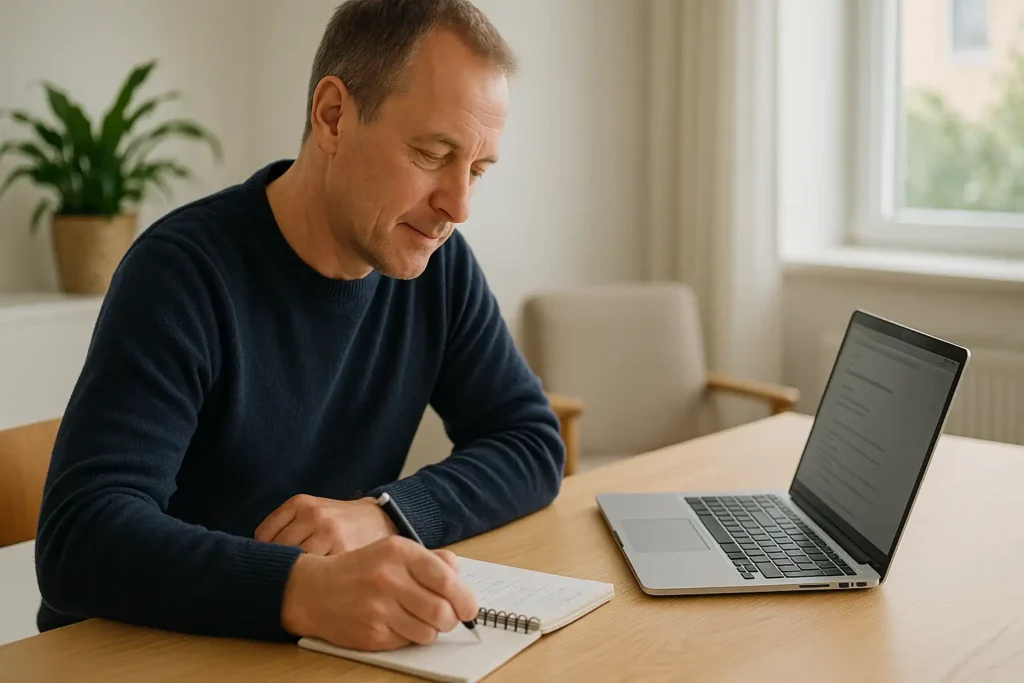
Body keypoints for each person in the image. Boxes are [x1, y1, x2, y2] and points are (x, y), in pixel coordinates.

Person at [34, 0, 565, 653]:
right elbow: (81, 536)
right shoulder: (182, 273)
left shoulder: (437, 264)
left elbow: (531, 441)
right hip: (139, 654)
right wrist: (307, 589)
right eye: (433, 153)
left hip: (300, 653)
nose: (458, 205)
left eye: (477, 170)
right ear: (333, 116)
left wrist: (384, 515)